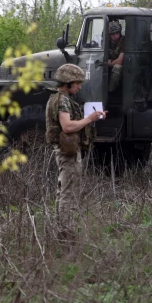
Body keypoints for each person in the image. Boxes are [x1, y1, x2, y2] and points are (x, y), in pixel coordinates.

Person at [45, 63, 107, 236]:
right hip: (68, 152)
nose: (79, 86)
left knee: (64, 190)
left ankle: (63, 229)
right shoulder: (62, 100)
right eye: (77, 83)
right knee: (68, 192)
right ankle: (66, 232)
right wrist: (89, 119)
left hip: (67, 151)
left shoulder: (59, 98)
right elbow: (68, 126)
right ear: (68, 82)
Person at [107, 21, 124, 92]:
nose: (116, 36)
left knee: (117, 67)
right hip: (109, 63)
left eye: (117, 33)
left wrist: (110, 63)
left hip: (123, 67)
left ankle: (110, 92)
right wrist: (107, 60)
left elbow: (120, 61)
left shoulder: (123, 41)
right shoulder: (106, 41)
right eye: (113, 34)